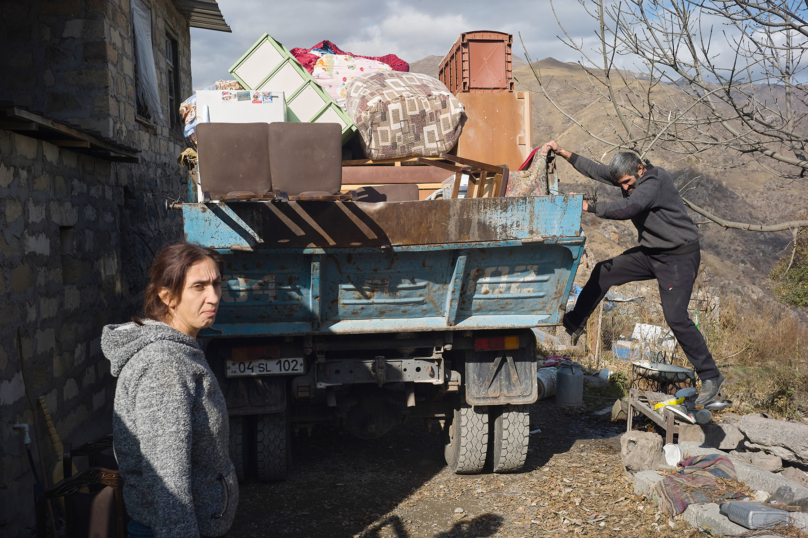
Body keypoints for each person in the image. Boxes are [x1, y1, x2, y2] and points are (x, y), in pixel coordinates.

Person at [542, 141, 724, 405]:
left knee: (676, 318)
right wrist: (563, 152)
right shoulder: (628, 175)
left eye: (628, 182)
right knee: (603, 271)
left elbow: (629, 208)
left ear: (640, 168)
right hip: (652, 253)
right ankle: (574, 323)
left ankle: (711, 376)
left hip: (678, 257)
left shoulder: (654, 181)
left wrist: (588, 207)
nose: (625, 188)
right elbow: (595, 170)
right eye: (621, 184)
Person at [101, 242, 238, 538]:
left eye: (216, 284)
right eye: (199, 287)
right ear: (167, 296)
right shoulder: (165, 365)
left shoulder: (180, 351)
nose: (213, 297)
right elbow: (167, 479)